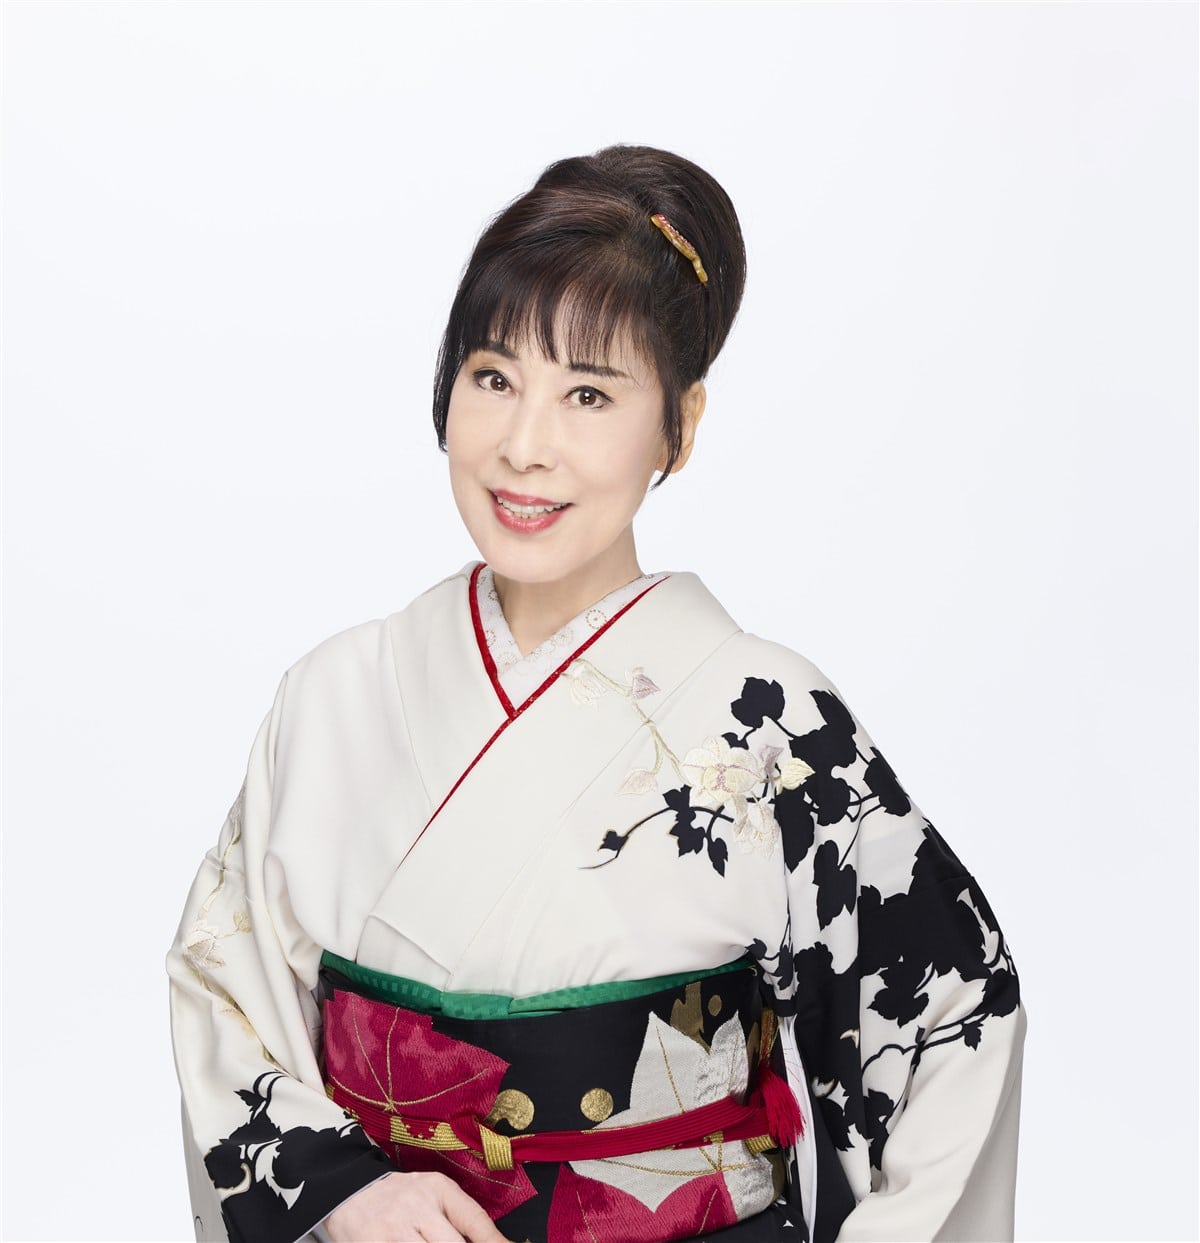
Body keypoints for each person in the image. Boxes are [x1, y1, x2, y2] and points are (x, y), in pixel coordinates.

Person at [167, 145, 1026, 1243]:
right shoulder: (331, 698)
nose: (525, 446)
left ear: (681, 424)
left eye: (588, 393)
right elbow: (224, 986)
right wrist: (341, 1190)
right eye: (493, 378)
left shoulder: (771, 723)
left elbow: (956, 1013)